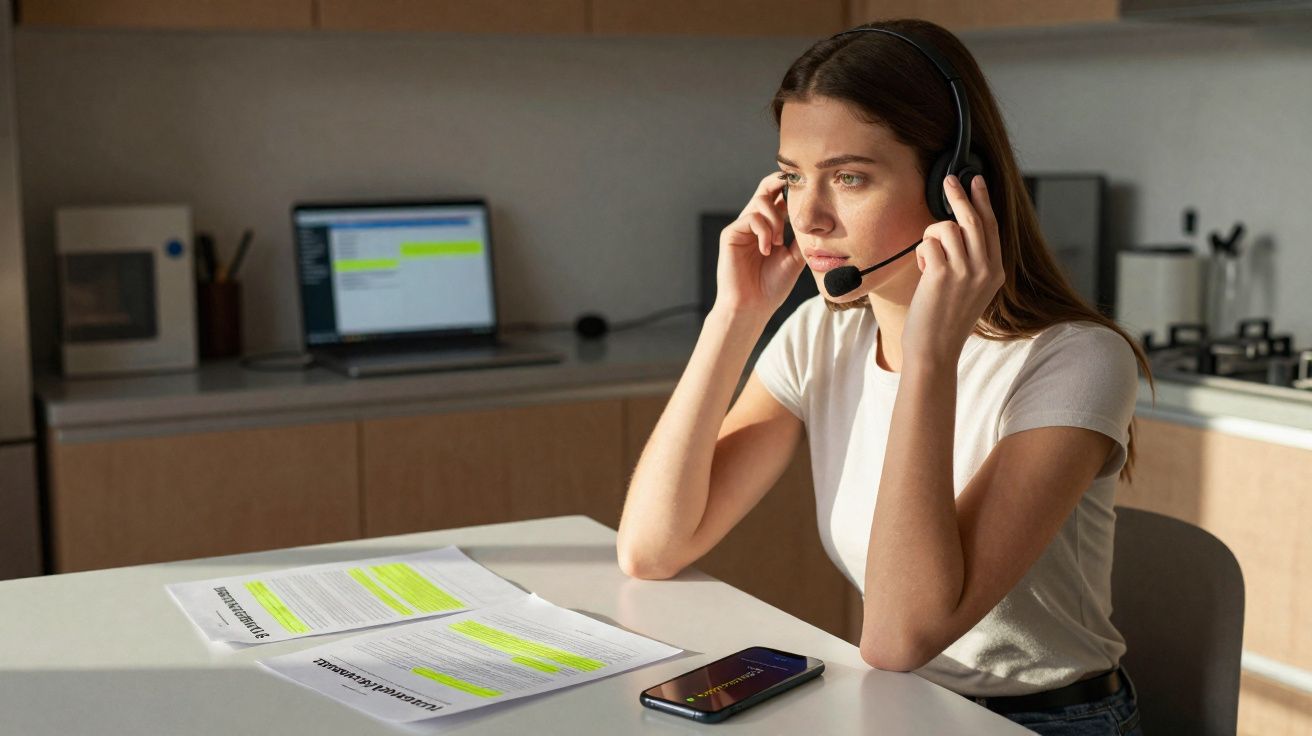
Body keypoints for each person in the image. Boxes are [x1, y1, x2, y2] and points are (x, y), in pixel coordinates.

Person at [616, 18, 1151, 736]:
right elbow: (653, 547)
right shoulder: (823, 334)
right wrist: (735, 315)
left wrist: (929, 357)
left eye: (849, 177)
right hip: (899, 708)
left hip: (1046, 723)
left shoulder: (1073, 360)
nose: (809, 217)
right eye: (790, 177)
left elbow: (899, 637)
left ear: (954, 186)